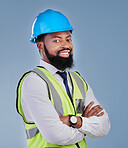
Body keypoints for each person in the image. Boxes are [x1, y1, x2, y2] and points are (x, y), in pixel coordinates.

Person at [16, 9, 110, 148]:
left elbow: (104, 127)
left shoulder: (78, 81)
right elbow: (55, 135)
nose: (65, 45)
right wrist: (85, 125)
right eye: (56, 40)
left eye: (68, 39)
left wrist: (73, 121)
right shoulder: (34, 82)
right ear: (40, 45)